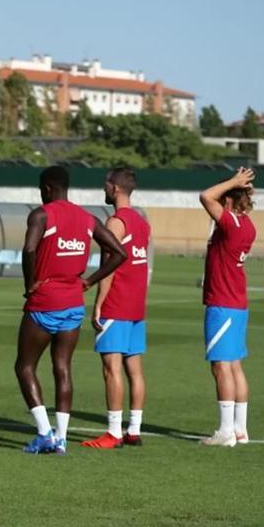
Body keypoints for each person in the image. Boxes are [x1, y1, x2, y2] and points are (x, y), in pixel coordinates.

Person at [15, 166, 125, 455]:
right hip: (74, 304)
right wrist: (89, 280)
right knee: (62, 368)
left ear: (48, 188)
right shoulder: (87, 218)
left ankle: (43, 433)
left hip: (45, 302)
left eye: (41, 189)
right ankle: (61, 438)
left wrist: (29, 285)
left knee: (24, 367)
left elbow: (28, 250)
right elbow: (120, 253)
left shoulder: (41, 214)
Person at [84, 168, 151, 449]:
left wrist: (98, 304)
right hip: (136, 306)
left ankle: (113, 432)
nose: (104, 190)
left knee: (112, 368)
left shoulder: (116, 222)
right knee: (134, 370)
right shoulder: (142, 222)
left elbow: (109, 267)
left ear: (115, 188)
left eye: (105, 185)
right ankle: (133, 429)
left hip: (117, 303)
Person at [197, 167, 256, 447]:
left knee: (221, 367)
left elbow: (205, 196)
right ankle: (240, 429)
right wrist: (238, 187)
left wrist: (233, 182)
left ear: (228, 200)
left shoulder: (231, 223)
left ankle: (225, 432)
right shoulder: (248, 225)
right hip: (237, 303)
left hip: (223, 304)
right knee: (234, 366)